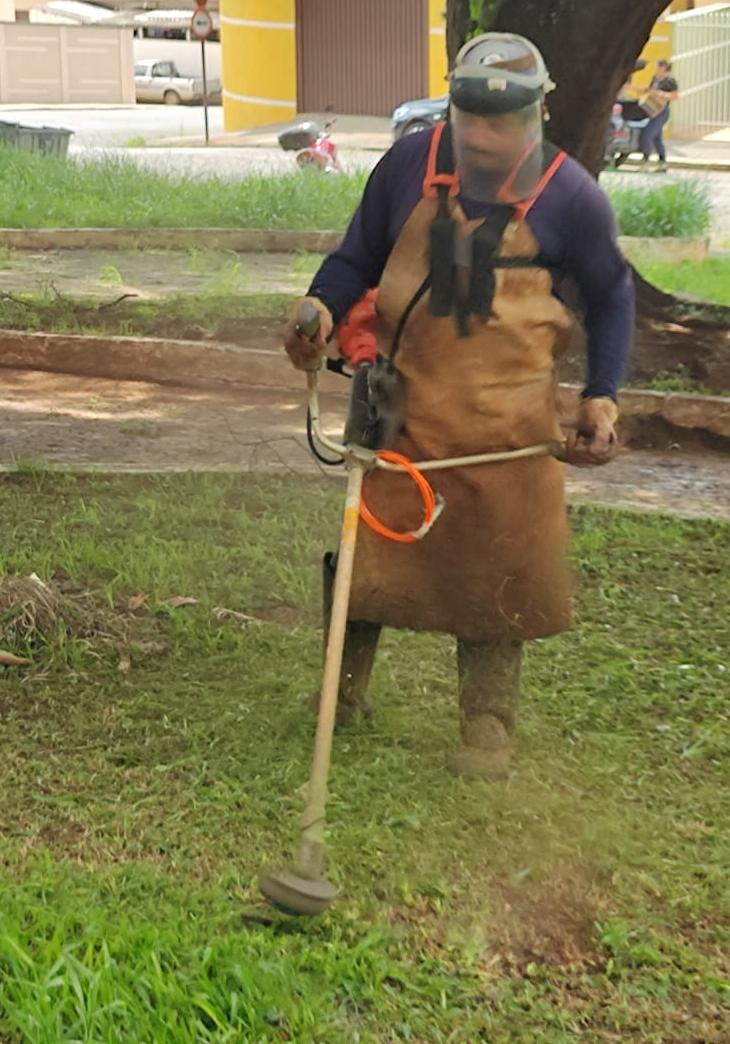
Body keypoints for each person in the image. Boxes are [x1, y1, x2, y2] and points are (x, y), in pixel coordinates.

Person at [282, 32, 634, 780]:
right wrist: (317, 307)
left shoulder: (571, 197)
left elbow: (611, 295)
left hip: (507, 426)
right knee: (366, 557)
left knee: (496, 569)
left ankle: (487, 728)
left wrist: (602, 394)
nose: (481, 135)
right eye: (469, 116)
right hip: (405, 409)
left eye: (501, 121)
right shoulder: (408, 166)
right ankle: (340, 698)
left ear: (539, 112)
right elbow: (356, 258)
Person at [639, 58, 680, 172]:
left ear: (663, 68)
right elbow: (651, 90)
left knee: (647, 134)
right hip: (653, 108)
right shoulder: (655, 79)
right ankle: (663, 162)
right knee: (657, 138)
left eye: (657, 67)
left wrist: (661, 94)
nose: (656, 70)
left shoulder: (669, 81)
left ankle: (646, 161)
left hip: (662, 111)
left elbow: (675, 96)